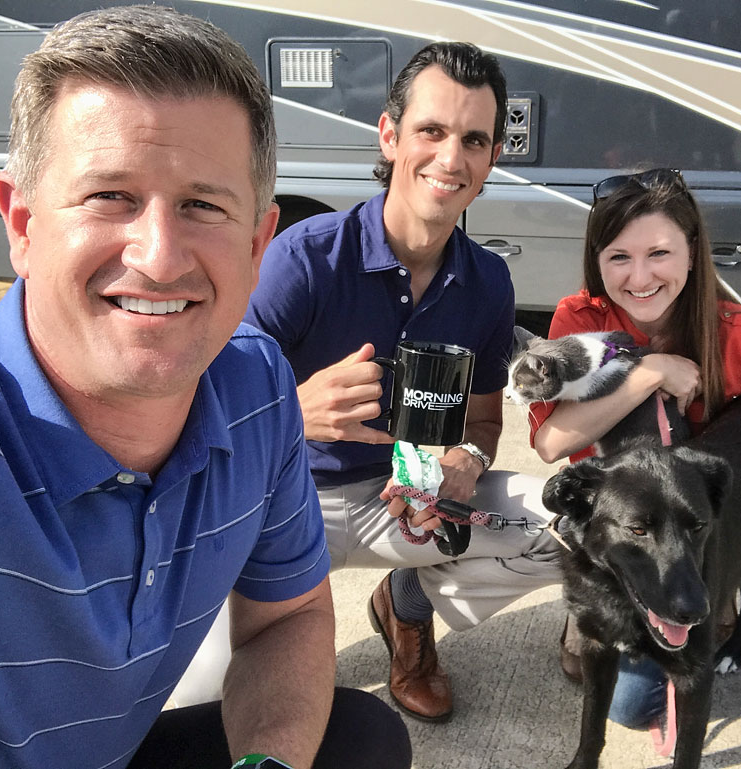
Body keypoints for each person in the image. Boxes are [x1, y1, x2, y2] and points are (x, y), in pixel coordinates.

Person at [0, 7, 409, 769]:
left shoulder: (257, 387)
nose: (157, 255)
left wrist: (268, 762)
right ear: (21, 223)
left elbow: (288, 620)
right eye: (109, 195)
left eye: (202, 205)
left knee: (363, 738)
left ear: (257, 246)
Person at [244, 42, 561, 723]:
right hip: (292, 503)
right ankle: (280, 614)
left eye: (474, 140)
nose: (451, 158)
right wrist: (292, 410)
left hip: (409, 504)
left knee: (570, 525)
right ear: (390, 137)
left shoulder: (488, 282)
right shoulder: (305, 258)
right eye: (432, 131)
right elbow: (203, 401)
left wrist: (465, 462)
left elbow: (481, 422)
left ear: (491, 160)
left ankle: (407, 610)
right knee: (212, 707)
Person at [529, 167, 741, 731]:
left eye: (659, 253)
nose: (639, 277)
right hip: (630, 523)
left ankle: (729, 595)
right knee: (624, 700)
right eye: (618, 257)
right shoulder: (582, 322)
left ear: (692, 254)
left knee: (642, 696)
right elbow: (551, 442)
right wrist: (648, 372)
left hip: (697, 523)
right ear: (598, 261)